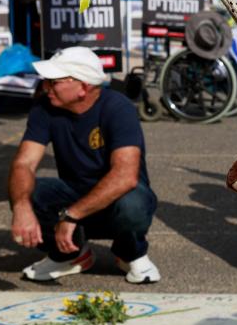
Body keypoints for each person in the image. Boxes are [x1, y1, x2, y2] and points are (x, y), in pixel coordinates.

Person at [8, 46, 159, 282]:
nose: (46, 87)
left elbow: (125, 176)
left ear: (83, 86)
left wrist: (70, 216)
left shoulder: (118, 108)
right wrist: (20, 206)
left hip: (119, 197)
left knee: (134, 203)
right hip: (75, 191)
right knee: (27, 191)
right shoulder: (44, 107)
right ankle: (70, 254)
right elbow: (23, 163)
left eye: (53, 81)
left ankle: (130, 253)